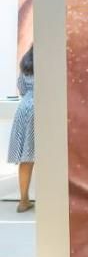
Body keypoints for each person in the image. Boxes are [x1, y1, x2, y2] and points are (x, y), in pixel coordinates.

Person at [8, 46, 34, 213]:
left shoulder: (26, 62)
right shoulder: (51, 59)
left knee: (27, 157)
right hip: (42, 105)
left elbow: (22, 88)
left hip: (24, 108)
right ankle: (51, 200)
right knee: (46, 156)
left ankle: (23, 200)